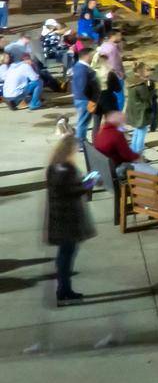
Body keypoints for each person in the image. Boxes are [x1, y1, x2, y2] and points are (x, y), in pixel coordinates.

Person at [46, 134, 95, 305]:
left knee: (64, 254)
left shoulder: (53, 166)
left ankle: (64, 288)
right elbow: (73, 190)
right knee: (67, 254)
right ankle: (64, 289)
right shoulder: (66, 168)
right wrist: (90, 182)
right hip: (68, 219)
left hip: (58, 218)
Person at [123, 62, 158, 153]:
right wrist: (153, 90)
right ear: (142, 72)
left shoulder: (133, 81)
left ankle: (132, 150)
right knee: (141, 133)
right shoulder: (141, 85)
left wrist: (148, 81)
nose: (150, 72)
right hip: (141, 112)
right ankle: (138, 153)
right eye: (148, 70)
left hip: (134, 110)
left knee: (136, 131)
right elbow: (147, 97)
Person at [69, 46, 100, 141]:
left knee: (83, 121)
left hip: (81, 98)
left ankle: (81, 140)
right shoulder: (82, 69)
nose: (95, 58)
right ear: (87, 56)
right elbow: (83, 87)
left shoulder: (78, 66)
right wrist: (92, 99)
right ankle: (81, 143)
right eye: (93, 55)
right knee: (83, 122)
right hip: (85, 100)